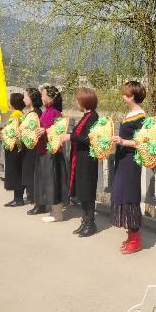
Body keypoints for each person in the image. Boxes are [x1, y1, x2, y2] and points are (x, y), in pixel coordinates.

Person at [111, 81, 146, 254]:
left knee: (130, 196)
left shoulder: (140, 116)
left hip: (131, 161)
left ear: (132, 96)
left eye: (125, 93)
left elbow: (144, 141)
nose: (123, 96)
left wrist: (124, 141)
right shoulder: (131, 113)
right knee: (123, 194)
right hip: (123, 158)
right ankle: (131, 234)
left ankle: (136, 238)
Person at [61, 88, 99, 237]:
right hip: (80, 157)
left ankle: (91, 223)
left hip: (88, 159)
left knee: (87, 191)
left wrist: (70, 137)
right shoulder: (86, 116)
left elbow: (90, 139)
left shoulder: (93, 117)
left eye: (78, 99)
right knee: (83, 191)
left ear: (84, 101)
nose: (77, 102)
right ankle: (85, 221)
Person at [30, 85, 69, 222]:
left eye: (43, 95)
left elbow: (59, 131)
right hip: (43, 150)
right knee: (47, 180)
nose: (42, 97)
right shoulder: (46, 112)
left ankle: (57, 213)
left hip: (51, 151)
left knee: (53, 180)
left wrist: (45, 131)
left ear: (51, 97)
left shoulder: (56, 113)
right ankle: (53, 211)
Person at [0, 93, 27, 207]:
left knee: (15, 173)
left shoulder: (16, 114)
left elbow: (12, 133)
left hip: (14, 147)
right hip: (19, 146)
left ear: (13, 103)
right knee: (18, 172)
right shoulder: (21, 113)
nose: (8, 102)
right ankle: (18, 198)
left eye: (10, 100)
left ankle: (18, 199)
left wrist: (1, 135)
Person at [22, 87, 42, 206]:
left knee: (31, 171)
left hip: (33, 147)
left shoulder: (36, 114)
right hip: (27, 147)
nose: (23, 99)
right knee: (28, 170)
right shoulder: (30, 113)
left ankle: (34, 197)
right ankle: (31, 195)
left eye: (25, 96)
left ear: (32, 98)